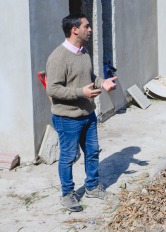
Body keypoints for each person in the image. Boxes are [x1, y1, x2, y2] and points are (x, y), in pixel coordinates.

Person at [45, 13, 118, 212]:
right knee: (68, 157)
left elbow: (89, 76)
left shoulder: (84, 52)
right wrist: (81, 92)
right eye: (87, 26)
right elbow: (52, 89)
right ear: (75, 30)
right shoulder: (58, 57)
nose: (90, 29)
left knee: (93, 152)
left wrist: (102, 82)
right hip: (67, 118)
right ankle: (68, 194)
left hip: (88, 114)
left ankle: (93, 187)